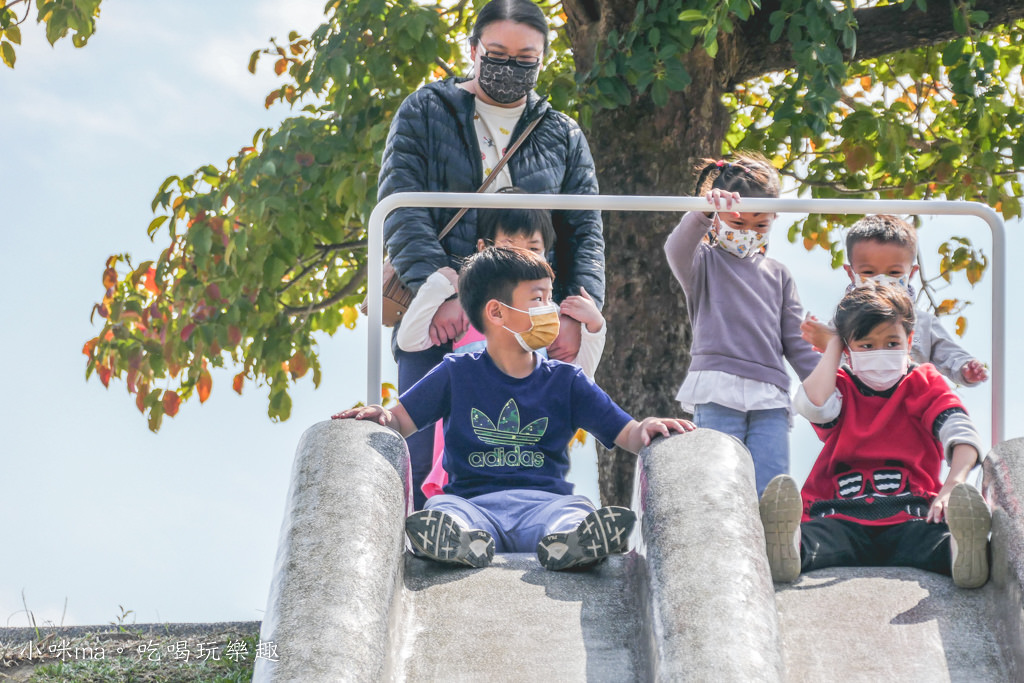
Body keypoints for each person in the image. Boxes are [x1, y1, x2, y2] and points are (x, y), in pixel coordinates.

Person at [334, 247, 694, 570]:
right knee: (443, 510)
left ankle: (575, 542)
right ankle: (454, 541)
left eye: (549, 298)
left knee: (574, 512)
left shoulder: (566, 381)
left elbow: (627, 432)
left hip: (544, 506)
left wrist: (646, 428)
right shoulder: (456, 373)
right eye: (538, 299)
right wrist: (382, 417)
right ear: (496, 312)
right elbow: (400, 419)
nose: (550, 310)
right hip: (473, 505)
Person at [378, 0, 604, 510]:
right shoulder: (424, 111)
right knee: (419, 441)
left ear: (543, 60)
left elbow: (584, 232)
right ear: (474, 48)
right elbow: (403, 208)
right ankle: (416, 536)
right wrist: (447, 292)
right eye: (498, 53)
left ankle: (541, 526)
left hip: (530, 314)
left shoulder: (562, 134)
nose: (511, 66)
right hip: (441, 308)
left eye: (527, 58)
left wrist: (572, 311)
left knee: (527, 444)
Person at [759, 284, 990, 588]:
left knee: (931, 539)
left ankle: (962, 551)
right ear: (848, 351)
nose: (880, 352)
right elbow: (813, 405)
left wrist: (952, 486)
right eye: (866, 345)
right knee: (819, 540)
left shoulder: (922, 382)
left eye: (892, 343)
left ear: (909, 340)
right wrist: (834, 348)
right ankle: (789, 549)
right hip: (840, 515)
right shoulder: (840, 385)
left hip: (910, 515)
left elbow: (961, 433)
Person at [395, 200, 607, 498]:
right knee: (458, 502)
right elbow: (410, 341)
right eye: (509, 245)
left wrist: (595, 329)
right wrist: (441, 284)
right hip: (470, 440)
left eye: (533, 249)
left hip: (527, 444)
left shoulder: (546, 313)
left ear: (546, 257)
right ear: (483, 249)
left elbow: (578, 377)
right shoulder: (472, 308)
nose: (520, 257)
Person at [663, 152, 820, 495]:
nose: (749, 232)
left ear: (774, 219)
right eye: (738, 223)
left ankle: (774, 543)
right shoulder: (703, 262)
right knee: (721, 483)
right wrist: (702, 212)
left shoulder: (778, 275)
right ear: (718, 218)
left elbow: (796, 343)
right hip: (717, 388)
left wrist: (832, 385)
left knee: (771, 485)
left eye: (760, 224)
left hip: (770, 396)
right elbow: (676, 248)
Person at [801, 214, 988, 386]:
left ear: (911, 273)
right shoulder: (842, 322)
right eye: (868, 272)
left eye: (894, 273)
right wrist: (827, 341)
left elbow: (947, 353)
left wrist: (965, 368)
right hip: (860, 410)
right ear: (851, 273)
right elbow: (828, 372)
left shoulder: (922, 322)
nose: (882, 280)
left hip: (910, 407)